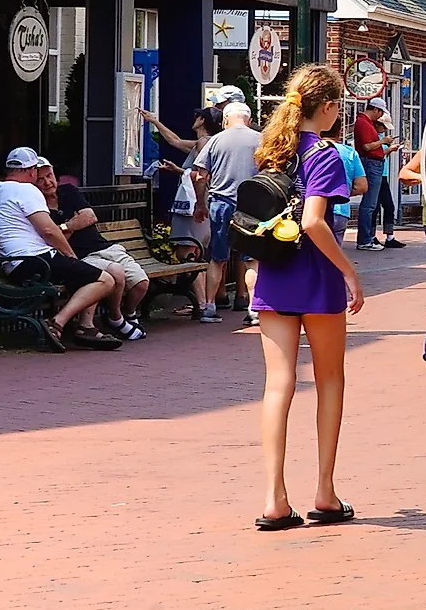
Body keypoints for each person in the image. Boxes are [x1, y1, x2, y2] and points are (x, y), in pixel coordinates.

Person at [247, 65, 366, 531]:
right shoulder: (325, 155)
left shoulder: (274, 148)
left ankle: (275, 498)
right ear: (331, 107)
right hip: (315, 275)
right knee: (330, 380)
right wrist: (350, 270)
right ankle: (324, 490)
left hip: (274, 272)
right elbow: (315, 221)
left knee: (278, 385)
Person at [0, 147, 121, 350]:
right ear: (31, 172)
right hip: (36, 261)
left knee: (88, 274)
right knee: (105, 280)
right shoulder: (26, 190)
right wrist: (71, 257)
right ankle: (56, 323)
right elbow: (49, 230)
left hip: (13, 267)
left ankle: (85, 328)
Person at [50, 163, 150, 340]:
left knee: (141, 283)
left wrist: (65, 226)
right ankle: (115, 318)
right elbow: (55, 238)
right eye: (40, 179)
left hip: (106, 247)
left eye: (49, 176)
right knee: (114, 274)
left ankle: (130, 314)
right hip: (82, 256)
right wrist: (75, 222)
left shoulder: (67, 191)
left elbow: (90, 216)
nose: (47, 182)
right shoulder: (38, 207)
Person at [148, 106, 228, 320]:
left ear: (202, 120)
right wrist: (155, 122)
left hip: (193, 206)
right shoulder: (208, 143)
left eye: (197, 117)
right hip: (203, 204)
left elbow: (203, 175)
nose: (194, 119)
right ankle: (204, 302)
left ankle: (202, 303)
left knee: (189, 252)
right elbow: (174, 141)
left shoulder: (203, 143)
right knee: (197, 253)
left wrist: (179, 171)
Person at [193, 100, 265, 329]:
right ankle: (253, 309)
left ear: (225, 120)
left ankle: (209, 306)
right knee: (251, 258)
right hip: (252, 206)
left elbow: (200, 176)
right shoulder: (260, 140)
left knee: (217, 257)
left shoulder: (215, 141)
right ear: (249, 119)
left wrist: (200, 204)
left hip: (220, 203)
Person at [350, 100, 400, 249]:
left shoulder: (366, 122)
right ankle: (365, 239)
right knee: (370, 204)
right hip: (371, 163)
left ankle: (367, 237)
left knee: (372, 204)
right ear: (376, 110)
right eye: (380, 112)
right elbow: (366, 146)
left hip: (374, 163)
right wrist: (383, 141)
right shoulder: (363, 122)